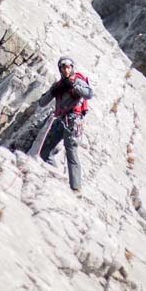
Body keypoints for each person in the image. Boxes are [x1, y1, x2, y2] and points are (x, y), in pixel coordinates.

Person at [38, 56, 93, 192]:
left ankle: (76, 187)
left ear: (72, 68)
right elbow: (42, 103)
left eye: (68, 67)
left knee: (71, 152)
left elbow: (89, 93)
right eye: (63, 67)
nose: (66, 69)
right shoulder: (58, 85)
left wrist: (74, 87)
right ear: (60, 69)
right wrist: (52, 91)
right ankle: (55, 176)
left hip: (73, 121)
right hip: (61, 120)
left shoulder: (77, 81)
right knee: (45, 150)